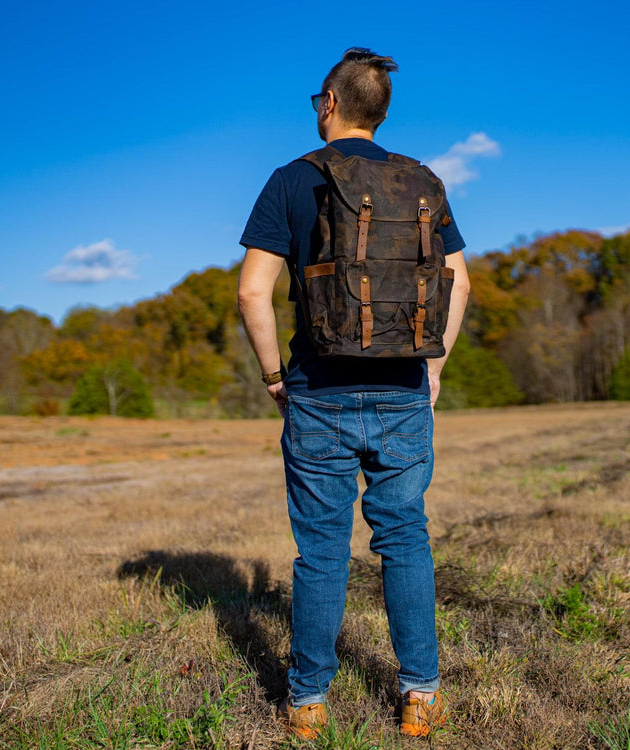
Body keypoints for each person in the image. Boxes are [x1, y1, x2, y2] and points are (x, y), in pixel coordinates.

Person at [237, 47, 470, 739]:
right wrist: (434, 368)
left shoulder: (291, 180)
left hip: (318, 391)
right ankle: (420, 695)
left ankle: (308, 701)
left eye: (317, 100)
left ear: (331, 104)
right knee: (404, 539)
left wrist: (274, 376)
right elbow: (462, 281)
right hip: (403, 387)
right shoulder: (422, 182)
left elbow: (253, 292)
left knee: (323, 550)